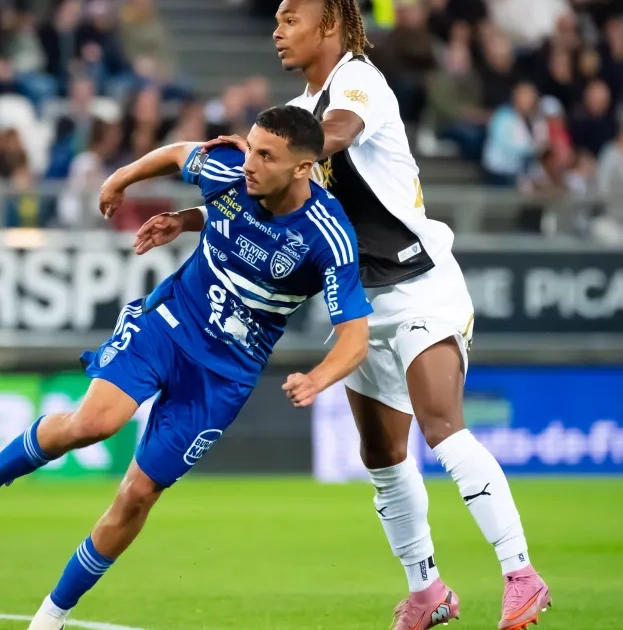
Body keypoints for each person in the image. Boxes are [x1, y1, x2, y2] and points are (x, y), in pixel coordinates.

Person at [0, 106, 373, 630]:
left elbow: (355, 337)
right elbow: (178, 155)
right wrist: (120, 179)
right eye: (250, 147)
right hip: (168, 323)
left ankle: (50, 617)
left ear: (302, 168)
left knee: (137, 495)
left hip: (224, 374)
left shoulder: (328, 234)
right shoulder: (230, 169)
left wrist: (318, 377)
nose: (250, 162)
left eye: (266, 156)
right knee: (94, 422)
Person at [198, 2, 553, 629]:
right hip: (363, 300)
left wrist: (273, 151)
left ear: (330, 25)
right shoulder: (297, 113)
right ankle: (427, 591)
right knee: (382, 453)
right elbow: (270, 201)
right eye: (276, 19)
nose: (277, 30)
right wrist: (209, 203)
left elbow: (337, 132)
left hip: (421, 285)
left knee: (442, 427)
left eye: (291, 17)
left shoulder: (358, 80)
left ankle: (521, 573)